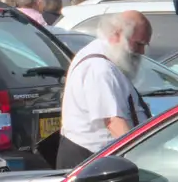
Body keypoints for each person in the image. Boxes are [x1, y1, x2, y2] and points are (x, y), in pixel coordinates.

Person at [55, 10, 153, 170]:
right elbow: (113, 122)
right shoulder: (99, 67)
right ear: (117, 34)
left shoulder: (108, 58)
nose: (141, 52)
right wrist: (138, 156)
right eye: (138, 44)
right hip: (90, 160)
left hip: (98, 158)